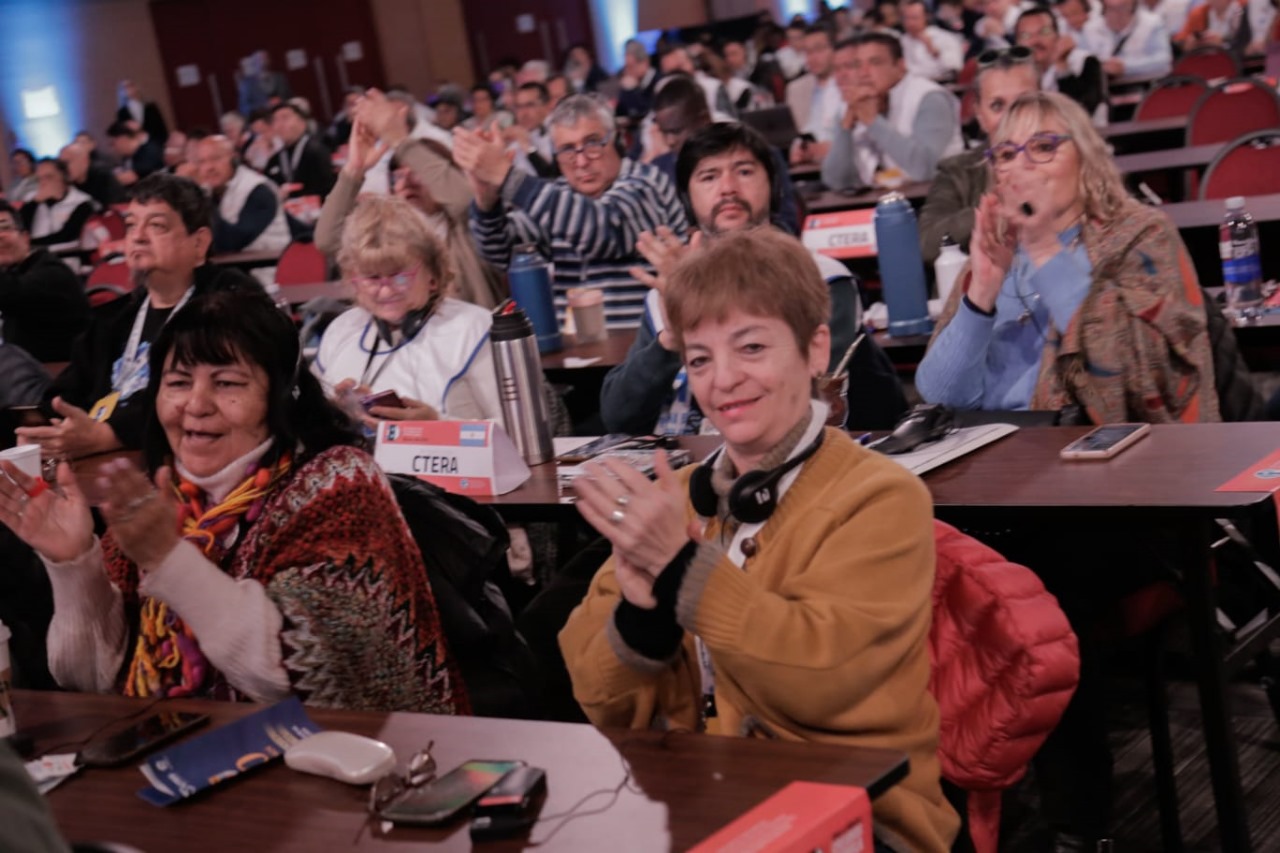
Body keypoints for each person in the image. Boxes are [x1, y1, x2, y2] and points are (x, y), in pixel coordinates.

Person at [560, 228, 959, 852]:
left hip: (862, 817)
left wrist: (682, 569)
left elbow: (824, 682)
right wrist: (643, 615)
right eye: (699, 359)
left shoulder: (883, 496)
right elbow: (597, 697)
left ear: (816, 349)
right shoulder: (676, 496)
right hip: (699, 804)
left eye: (750, 347)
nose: (723, 380)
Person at [0, 286, 467, 713]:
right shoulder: (162, 495)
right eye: (178, 382)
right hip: (196, 754)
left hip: (370, 760)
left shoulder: (340, 484)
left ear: (279, 396)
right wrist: (75, 564)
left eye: (227, 383)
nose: (196, 405)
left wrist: (169, 560)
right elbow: (88, 680)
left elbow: (300, 677)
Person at [915, 92, 1219, 421]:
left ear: (1086, 156)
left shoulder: (1141, 234)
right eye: (1007, 154)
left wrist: (1045, 250)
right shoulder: (997, 247)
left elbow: (1139, 381)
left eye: (1043, 147)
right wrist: (981, 295)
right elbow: (940, 396)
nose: (1021, 166)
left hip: (1093, 444)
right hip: (988, 444)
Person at [601, 122, 907, 435]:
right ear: (687, 199)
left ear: (774, 187)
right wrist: (670, 339)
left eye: (744, 172)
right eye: (709, 177)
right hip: (680, 459)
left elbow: (801, 400)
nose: (728, 188)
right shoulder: (666, 290)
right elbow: (618, 418)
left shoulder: (821, 279)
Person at [18, 174, 259, 459]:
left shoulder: (230, 303)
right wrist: (46, 429)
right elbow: (67, 392)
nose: (138, 236)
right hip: (104, 466)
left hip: (189, 461)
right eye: (131, 225)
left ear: (199, 242)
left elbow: (204, 398)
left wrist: (110, 435)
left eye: (156, 226)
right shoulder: (115, 319)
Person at [461, 94, 688, 330]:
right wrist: (487, 202)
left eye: (593, 143)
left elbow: (602, 231)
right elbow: (503, 254)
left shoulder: (647, 183)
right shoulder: (557, 196)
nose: (581, 161)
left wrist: (506, 176)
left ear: (617, 140)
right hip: (574, 347)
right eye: (567, 149)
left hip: (642, 345)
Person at [315, 194, 503, 423]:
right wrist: (336, 415)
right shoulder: (340, 331)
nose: (386, 291)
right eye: (372, 278)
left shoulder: (477, 329)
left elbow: (518, 433)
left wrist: (436, 426)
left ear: (432, 274)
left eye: (399, 276)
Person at [314, 89, 505, 309]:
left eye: (416, 173)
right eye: (398, 176)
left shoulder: (466, 226)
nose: (406, 182)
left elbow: (464, 200)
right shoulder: (387, 231)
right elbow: (327, 240)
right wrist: (354, 171)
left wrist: (400, 141)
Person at [918, 47, 1041, 262]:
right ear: (980, 115)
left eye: (1024, 103)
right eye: (997, 105)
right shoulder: (957, 171)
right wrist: (996, 204)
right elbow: (927, 243)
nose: (1011, 116)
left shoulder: (1071, 159)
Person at [647, 76, 800, 235]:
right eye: (709, 178)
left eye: (677, 131)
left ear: (703, 119)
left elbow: (787, 224)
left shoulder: (762, 154)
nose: (670, 141)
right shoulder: (656, 172)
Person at [821, 33, 963, 191]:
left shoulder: (929, 98)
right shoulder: (853, 104)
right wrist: (845, 129)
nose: (863, 73)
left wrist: (873, 122)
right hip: (880, 199)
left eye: (875, 62)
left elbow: (924, 170)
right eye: (858, 65)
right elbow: (836, 182)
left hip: (939, 196)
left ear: (900, 65)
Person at [0, 199, 89, 362]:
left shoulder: (52, 274)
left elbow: (12, 293)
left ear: (25, 237)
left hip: (56, 372)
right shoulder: (14, 272)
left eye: (4, 227)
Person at [194, 135, 290, 256]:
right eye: (202, 162)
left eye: (216, 159)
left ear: (234, 159)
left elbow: (231, 242)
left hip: (267, 264)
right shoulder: (208, 191)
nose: (209, 168)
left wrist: (202, 199)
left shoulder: (258, 190)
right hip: (232, 264)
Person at [1015, 6, 1107, 122]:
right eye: (1025, 36)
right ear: (1017, 44)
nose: (1035, 41)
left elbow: (1082, 112)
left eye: (1044, 32)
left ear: (1057, 34)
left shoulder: (1085, 62)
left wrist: (1062, 67)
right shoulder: (1016, 76)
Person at [785, 25, 845, 166]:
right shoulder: (796, 88)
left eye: (819, 50)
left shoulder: (850, 83)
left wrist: (829, 148)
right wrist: (796, 150)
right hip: (805, 164)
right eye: (807, 52)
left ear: (835, 50)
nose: (812, 58)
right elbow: (793, 135)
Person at [1083, 0, 1173, 81]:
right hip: (1100, 90)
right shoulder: (1090, 28)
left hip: (1142, 86)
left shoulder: (1152, 23)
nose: (1117, 13)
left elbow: (1163, 61)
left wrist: (1126, 67)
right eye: (1112, 9)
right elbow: (1080, 63)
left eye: (1121, 8)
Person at [19, 159, 95, 254]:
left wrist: (27, 244)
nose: (43, 183)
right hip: (33, 256)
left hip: (67, 256)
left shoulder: (82, 202)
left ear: (64, 177)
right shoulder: (32, 200)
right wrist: (34, 203)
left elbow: (67, 237)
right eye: (39, 179)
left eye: (49, 177)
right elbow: (19, 227)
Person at [264, 102, 335, 200]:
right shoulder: (274, 160)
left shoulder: (317, 151)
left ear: (302, 123)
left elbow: (327, 188)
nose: (280, 125)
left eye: (285, 118)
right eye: (275, 120)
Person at [900, 0, 967, 81]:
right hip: (907, 83)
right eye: (906, 18)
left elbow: (954, 68)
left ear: (926, 16)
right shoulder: (900, 41)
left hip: (939, 83)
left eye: (914, 18)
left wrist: (933, 51)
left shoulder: (945, 38)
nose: (910, 23)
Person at [505, 82, 557, 178]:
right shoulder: (515, 141)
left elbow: (552, 177)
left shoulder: (557, 133)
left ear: (547, 105)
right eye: (519, 107)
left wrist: (527, 146)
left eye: (530, 105)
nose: (523, 113)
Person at [59, 142, 124, 208]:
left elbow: (116, 205)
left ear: (84, 160)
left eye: (66, 163)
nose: (64, 168)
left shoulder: (102, 176)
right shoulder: (66, 184)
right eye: (61, 164)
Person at [106, 120, 164, 186]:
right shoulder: (128, 156)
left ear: (123, 139)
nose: (113, 149)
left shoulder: (149, 152)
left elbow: (129, 178)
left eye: (113, 144)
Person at [1173, 0, 1250, 50]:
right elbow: (1180, 41)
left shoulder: (1245, 7)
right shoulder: (1199, 13)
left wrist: (1223, 43)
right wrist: (1190, 44)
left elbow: (1247, 44)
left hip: (1237, 61)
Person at [616, 39, 660, 123]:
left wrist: (634, 90)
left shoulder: (658, 82)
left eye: (630, 66)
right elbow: (621, 112)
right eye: (626, 67)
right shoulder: (629, 82)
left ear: (644, 63)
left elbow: (647, 113)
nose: (626, 71)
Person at [238, 50, 292, 116]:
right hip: (263, 118)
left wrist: (281, 101)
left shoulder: (280, 78)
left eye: (265, 58)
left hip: (284, 114)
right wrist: (265, 105)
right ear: (254, 63)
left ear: (269, 60)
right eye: (259, 60)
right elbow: (244, 108)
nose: (263, 62)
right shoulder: (247, 84)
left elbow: (290, 97)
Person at [117, 79, 169, 146]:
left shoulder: (151, 107)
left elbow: (161, 127)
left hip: (156, 144)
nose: (129, 89)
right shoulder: (122, 113)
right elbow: (123, 134)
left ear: (136, 87)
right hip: (136, 146)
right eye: (125, 88)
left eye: (131, 86)